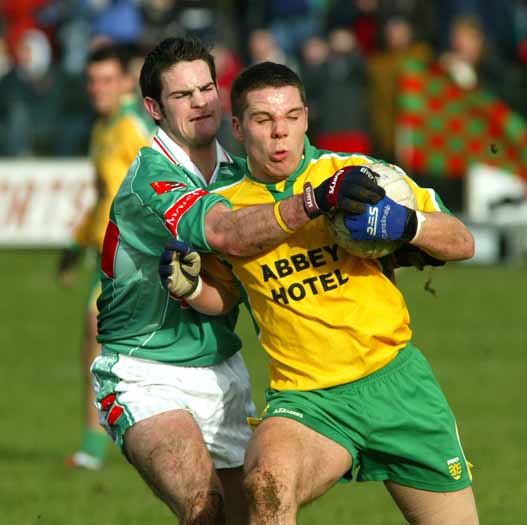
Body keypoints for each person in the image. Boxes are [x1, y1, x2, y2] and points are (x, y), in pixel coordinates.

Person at [160, 61, 479, 525]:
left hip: (398, 384)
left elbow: (462, 242)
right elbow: (225, 297)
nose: (280, 134)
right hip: (309, 402)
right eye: (264, 120)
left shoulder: (357, 174)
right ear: (238, 126)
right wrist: (191, 287)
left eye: (291, 117)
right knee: (267, 483)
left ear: (307, 117)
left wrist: (407, 224)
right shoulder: (225, 207)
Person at [91, 37, 382, 525]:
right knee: (205, 509)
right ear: (153, 109)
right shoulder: (150, 179)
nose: (201, 101)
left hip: (224, 371)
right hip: (144, 372)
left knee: (255, 514)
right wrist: (314, 200)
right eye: (182, 96)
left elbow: (237, 287)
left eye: (207, 88)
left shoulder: (238, 175)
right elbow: (225, 232)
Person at [58, 42, 154, 470]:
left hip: (139, 251)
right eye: (92, 80)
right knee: (99, 337)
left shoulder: (133, 127)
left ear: (124, 82)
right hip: (108, 252)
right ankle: (103, 439)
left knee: (95, 325)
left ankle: (97, 443)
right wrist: (76, 244)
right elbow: (102, 195)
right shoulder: (103, 128)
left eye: (106, 80)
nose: (98, 88)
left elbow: (164, 180)